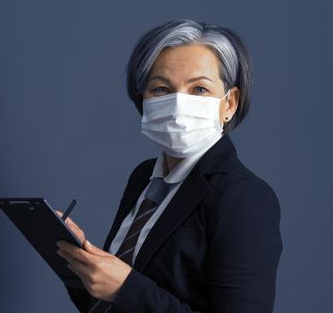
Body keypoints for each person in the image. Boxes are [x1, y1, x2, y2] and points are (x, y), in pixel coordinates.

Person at [55, 19, 283, 312]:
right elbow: (107, 302)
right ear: (143, 99)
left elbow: (128, 292)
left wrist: (127, 288)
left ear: (229, 104)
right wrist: (80, 263)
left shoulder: (244, 198)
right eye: (161, 89)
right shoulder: (143, 178)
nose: (178, 104)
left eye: (199, 89)